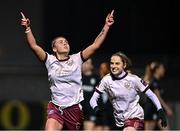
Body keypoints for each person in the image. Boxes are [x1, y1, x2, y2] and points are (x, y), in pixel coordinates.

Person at [20, 10, 114, 130]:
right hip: (56, 107)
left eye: (66, 42)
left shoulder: (77, 58)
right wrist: (27, 29)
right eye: (61, 42)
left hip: (74, 109)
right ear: (54, 48)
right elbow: (34, 46)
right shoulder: (49, 60)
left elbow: (95, 45)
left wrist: (106, 26)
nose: (65, 43)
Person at [90, 52, 167, 131]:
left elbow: (152, 95)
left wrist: (160, 110)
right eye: (112, 63)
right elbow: (93, 99)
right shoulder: (106, 80)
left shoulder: (133, 79)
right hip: (119, 121)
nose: (113, 66)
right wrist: (96, 108)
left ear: (124, 65)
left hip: (135, 117)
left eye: (117, 63)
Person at [143, 61, 173, 130]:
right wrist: (167, 108)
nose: (163, 70)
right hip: (151, 110)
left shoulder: (158, 81)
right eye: (162, 68)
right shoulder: (153, 81)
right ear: (157, 70)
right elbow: (158, 97)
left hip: (158, 111)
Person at [81, 58, 99, 130]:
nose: (84, 65)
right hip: (78, 110)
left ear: (92, 66)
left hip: (90, 111)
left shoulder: (97, 79)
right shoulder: (77, 78)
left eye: (87, 63)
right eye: (83, 63)